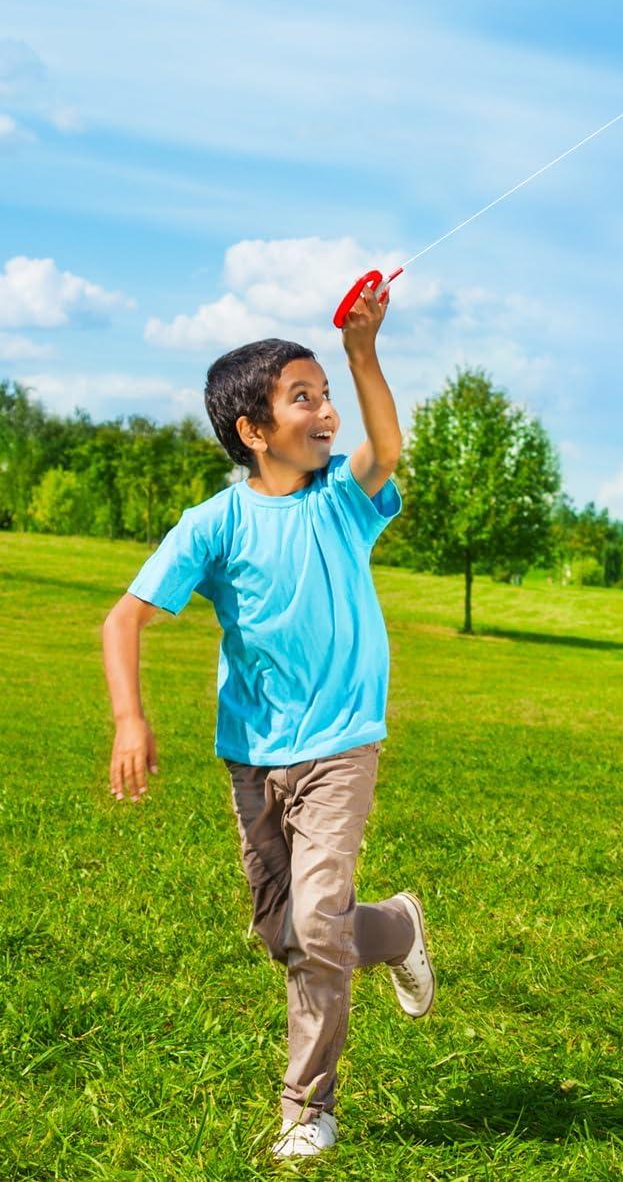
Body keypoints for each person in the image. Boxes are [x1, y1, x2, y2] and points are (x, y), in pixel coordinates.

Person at [100, 285, 433, 1163]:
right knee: (282, 930)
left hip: (341, 744)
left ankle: (306, 1107)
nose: (326, 413)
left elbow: (386, 446)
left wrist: (362, 353)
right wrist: (131, 720)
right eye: (303, 398)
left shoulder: (342, 501)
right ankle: (396, 928)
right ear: (253, 429)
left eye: (326, 394)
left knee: (316, 928)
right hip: (253, 755)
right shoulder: (213, 525)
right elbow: (123, 619)